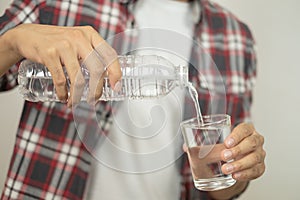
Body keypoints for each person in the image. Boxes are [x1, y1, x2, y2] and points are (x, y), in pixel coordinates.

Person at [0, 0, 266, 199]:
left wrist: (237, 168)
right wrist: (13, 42)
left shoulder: (236, 35)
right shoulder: (62, 2)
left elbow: (223, 180)